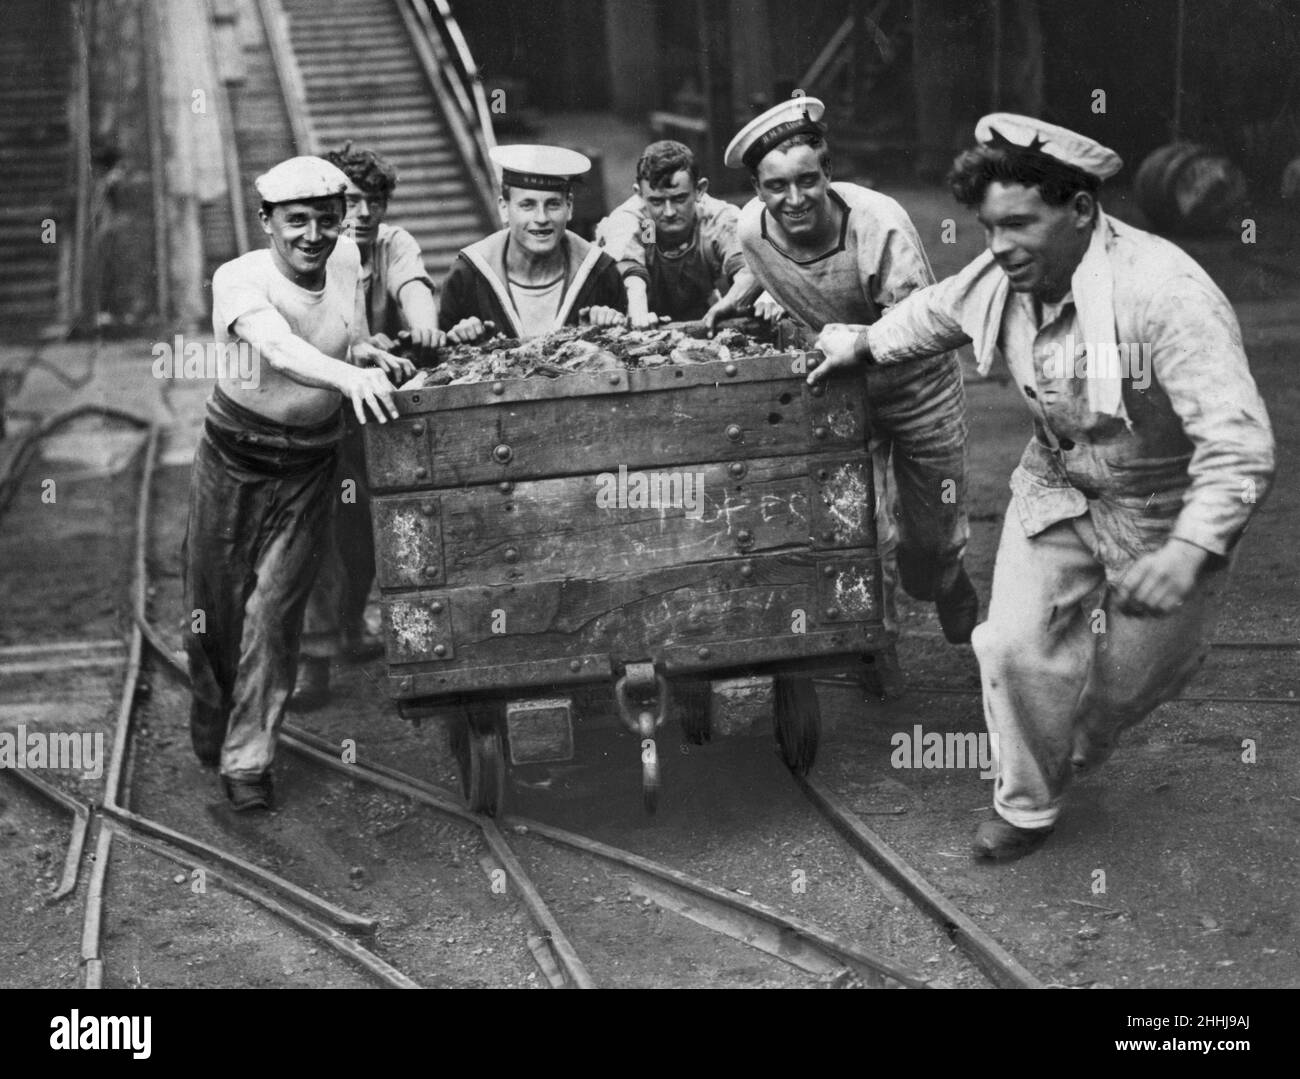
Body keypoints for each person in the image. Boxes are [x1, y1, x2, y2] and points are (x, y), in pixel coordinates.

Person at [810, 114, 1275, 859]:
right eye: (989, 227)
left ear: (1082, 209)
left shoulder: (1166, 294)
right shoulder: (1003, 275)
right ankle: (1026, 805)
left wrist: (1191, 547)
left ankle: (1078, 743)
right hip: (1056, 486)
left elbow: (1240, 443)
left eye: (1020, 225)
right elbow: (933, 314)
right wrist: (859, 344)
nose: (999, 246)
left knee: (1119, 691)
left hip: (1162, 510)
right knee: (1012, 646)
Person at [709, 97, 978, 666]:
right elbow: (764, 272)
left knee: (928, 536)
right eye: (776, 186)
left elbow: (918, 326)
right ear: (757, 189)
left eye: (808, 180)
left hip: (917, 389)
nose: (795, 199)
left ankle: (946, 576)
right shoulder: (752, 230)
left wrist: (858, 344)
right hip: (839, 390)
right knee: (853, 528)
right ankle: (876, 647)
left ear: (829, 173)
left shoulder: (879, 224)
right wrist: (735, 300)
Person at [184, 156, 413, 810]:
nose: (314, 234)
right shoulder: (238, 279)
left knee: (274, 609)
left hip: (309, 465)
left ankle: (248, 757)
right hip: (233, 460)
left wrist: (368, 355)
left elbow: (353, 333)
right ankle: (212, 706)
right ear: (267, 222)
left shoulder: (345, 259)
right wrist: (348, 380)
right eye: (297, 221)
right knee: (214, 614)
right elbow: (278, 347)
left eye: (326, 218)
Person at [292, 145, 443, 709]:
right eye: (352, 201)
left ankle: (353, 624)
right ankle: (312, 659)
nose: (363, 213)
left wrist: (423, 328)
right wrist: (357, 348)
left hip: (373, 419)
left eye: (374, 202)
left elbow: (414, 284)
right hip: (315, 412)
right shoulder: (313, 251)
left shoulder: (391, 244)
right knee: (314, 535)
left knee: (366, 534)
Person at [439, 145, 626, 343]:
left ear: (569, 207)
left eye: (553, 204)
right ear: (504, 208)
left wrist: (610, 327)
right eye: (527, 205)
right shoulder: (468, 275)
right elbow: (439, 360)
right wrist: (459, 338)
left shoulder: (600, 272)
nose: (541, 217)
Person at [595, 139, 771, 327]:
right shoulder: (640, 223)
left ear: (699, 189)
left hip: (702, 314)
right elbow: (632, 278)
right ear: (639, 194)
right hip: (642, 313)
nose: (669, 212)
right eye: (657, 201)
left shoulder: (717, 218)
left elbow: (747, 270)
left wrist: (735, 300)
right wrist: (639, 317)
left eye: (679, 198)